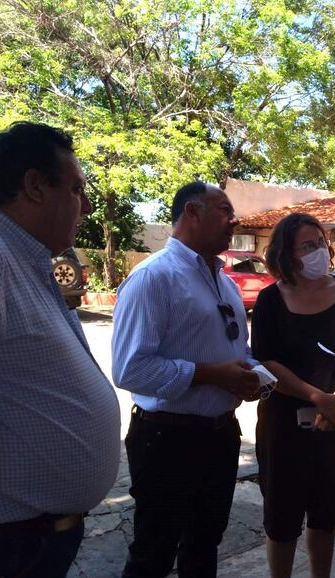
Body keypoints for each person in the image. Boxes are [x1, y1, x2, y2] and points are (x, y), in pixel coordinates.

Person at [0, 122, 120, 577]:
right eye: (77, 189)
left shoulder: (14, 252)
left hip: (22, 542)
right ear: (34, 186)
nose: (84, 206)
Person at [112, 181, 262, 578]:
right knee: (153, 553)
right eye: (224, 211)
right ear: (192, 213)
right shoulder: (153, 278)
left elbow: (234, 349)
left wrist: (247, 375)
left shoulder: (225, 282)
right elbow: (130, 369)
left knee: (204, 544)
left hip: (221, 434)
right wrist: (212, 375)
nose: (234, 221)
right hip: (167, 439)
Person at [250, 213, 335, 578]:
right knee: (282, 516)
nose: (319, 251)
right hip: (283, 420)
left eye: (321, 243)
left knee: (325, 511)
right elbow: (266, 361)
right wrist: (318, 397)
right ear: (287, 253)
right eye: (308, 245)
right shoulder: (270, 299)